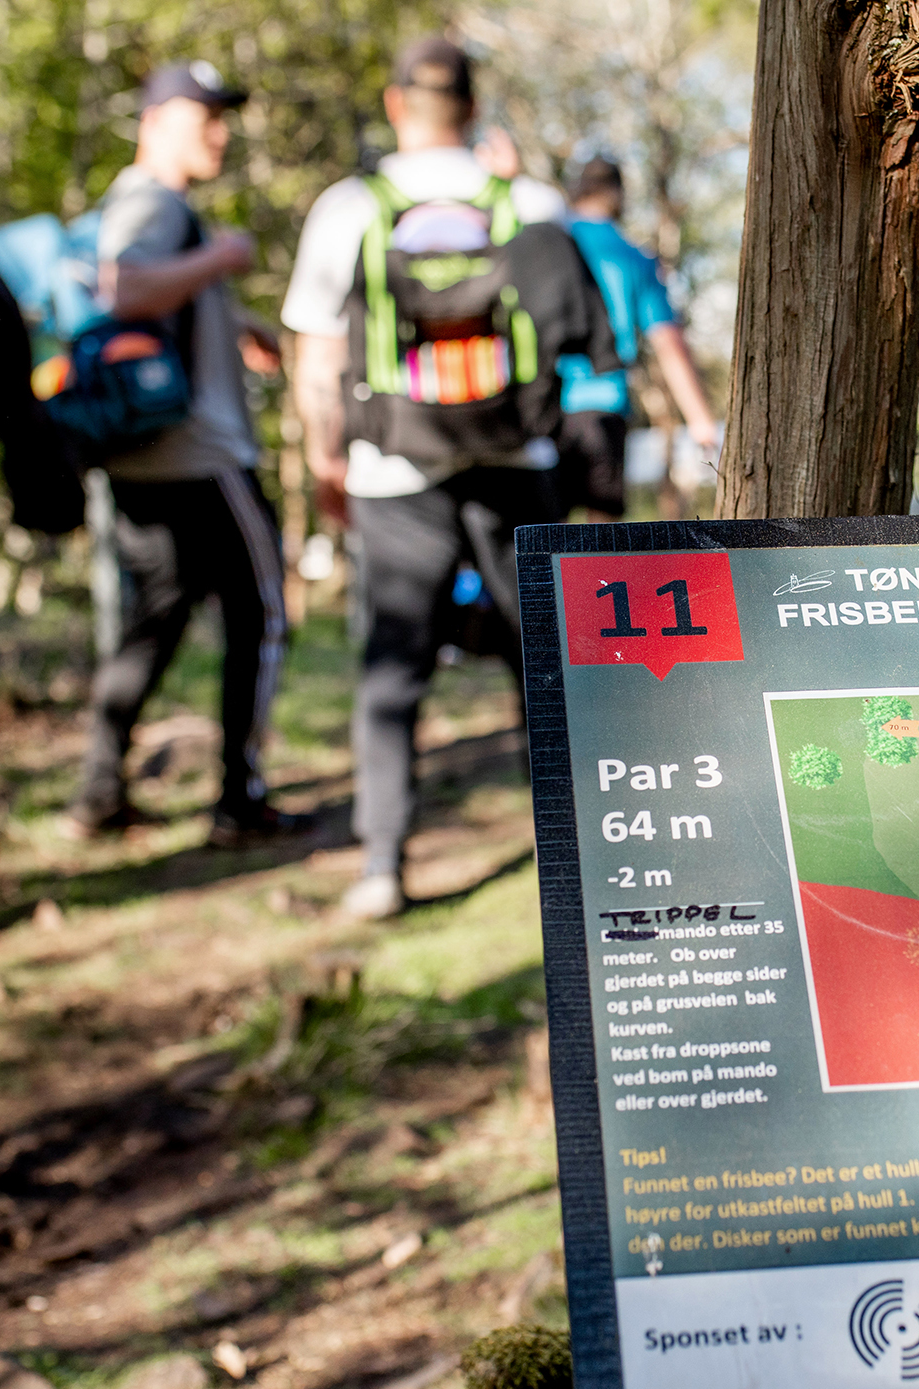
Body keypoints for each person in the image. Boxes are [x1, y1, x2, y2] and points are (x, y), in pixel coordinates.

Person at [284, 37, 617, 920]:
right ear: (472, 108)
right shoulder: (529, 200)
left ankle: (382, 864)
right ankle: (577, 849)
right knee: (540, 662)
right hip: (518, 460)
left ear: (396, 105)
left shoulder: (349, 207)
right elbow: (578, 332)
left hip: (392, 465)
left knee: (394, 668)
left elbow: (318, 359)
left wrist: (326, 459)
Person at [62, 60, 305, 847]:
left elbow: (146, 299)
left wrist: (234, 321)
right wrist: (223, 258)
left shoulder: (132, 203)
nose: (220, 134)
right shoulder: (154, 202)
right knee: (262, 615)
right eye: (206, 117)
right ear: (157, 121)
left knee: (156, 621)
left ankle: (99, 787)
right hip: (203, 457)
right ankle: (241, 797)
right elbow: (128, 289)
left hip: (145, 464)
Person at [554, 158, 720, 519]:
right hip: (604, 403)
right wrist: (700, 420)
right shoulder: (632, 256)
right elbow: (668, 343)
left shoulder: (547, 246)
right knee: (601, 539)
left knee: (536, 538)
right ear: (617, 195)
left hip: (542, 406)